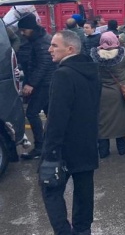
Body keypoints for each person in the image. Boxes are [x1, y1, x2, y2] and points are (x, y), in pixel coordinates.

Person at [40, 30, 100, 235]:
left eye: (55, 45)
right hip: (87, 144)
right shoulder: (92, 70)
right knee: (84, 193)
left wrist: (50, 152)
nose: (49, 49)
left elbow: (57, 117)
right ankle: (83, 230)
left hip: (64, 147)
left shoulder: (62, 74)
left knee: (49, 188)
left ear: (70, 49)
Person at [90, 32, 125, 158]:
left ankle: (103, 151)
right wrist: (123, 42)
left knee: (102, 122)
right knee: (121, 121)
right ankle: (122, 149)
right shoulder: (124, 57)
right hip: (120, 93)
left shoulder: (94, 56)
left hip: (102, 93)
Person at [18, 14, 57, 160]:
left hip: (44, 84)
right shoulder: (37, 39)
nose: (22, 33)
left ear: (32, 29)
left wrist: (31, 84)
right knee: (50, 114)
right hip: (46, 83)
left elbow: (43, 64)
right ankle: (51, 144)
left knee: (32, 113)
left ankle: (40, 146)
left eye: (24, 30)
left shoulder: (42, 41)